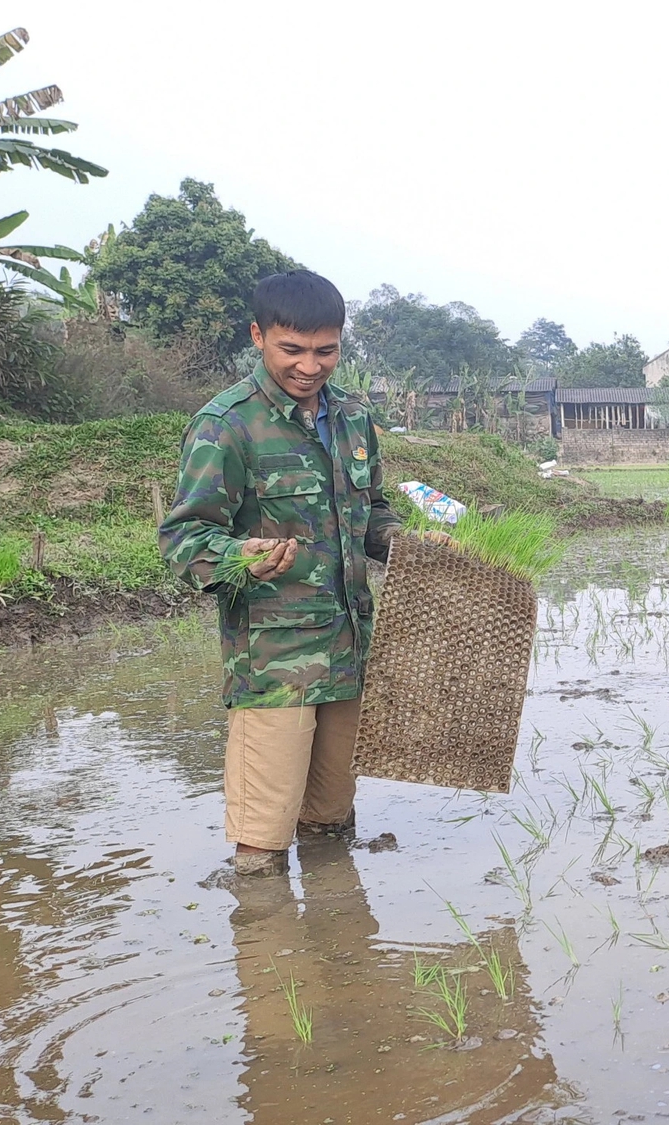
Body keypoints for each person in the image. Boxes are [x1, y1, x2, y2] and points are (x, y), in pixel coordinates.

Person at [159, 270, 443, 877]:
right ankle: (269, 954)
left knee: (333, 825)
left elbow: (373, 512)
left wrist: (406, 545)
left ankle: (338, 951)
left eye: (326, 351)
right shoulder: (226, 426)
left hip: (350, 653)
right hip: (274, 665)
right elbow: (184, 539)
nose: (310, 367)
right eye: (292, 350)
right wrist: (242, 556)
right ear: (258, 336)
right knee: (261, 847)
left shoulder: (353, 420)